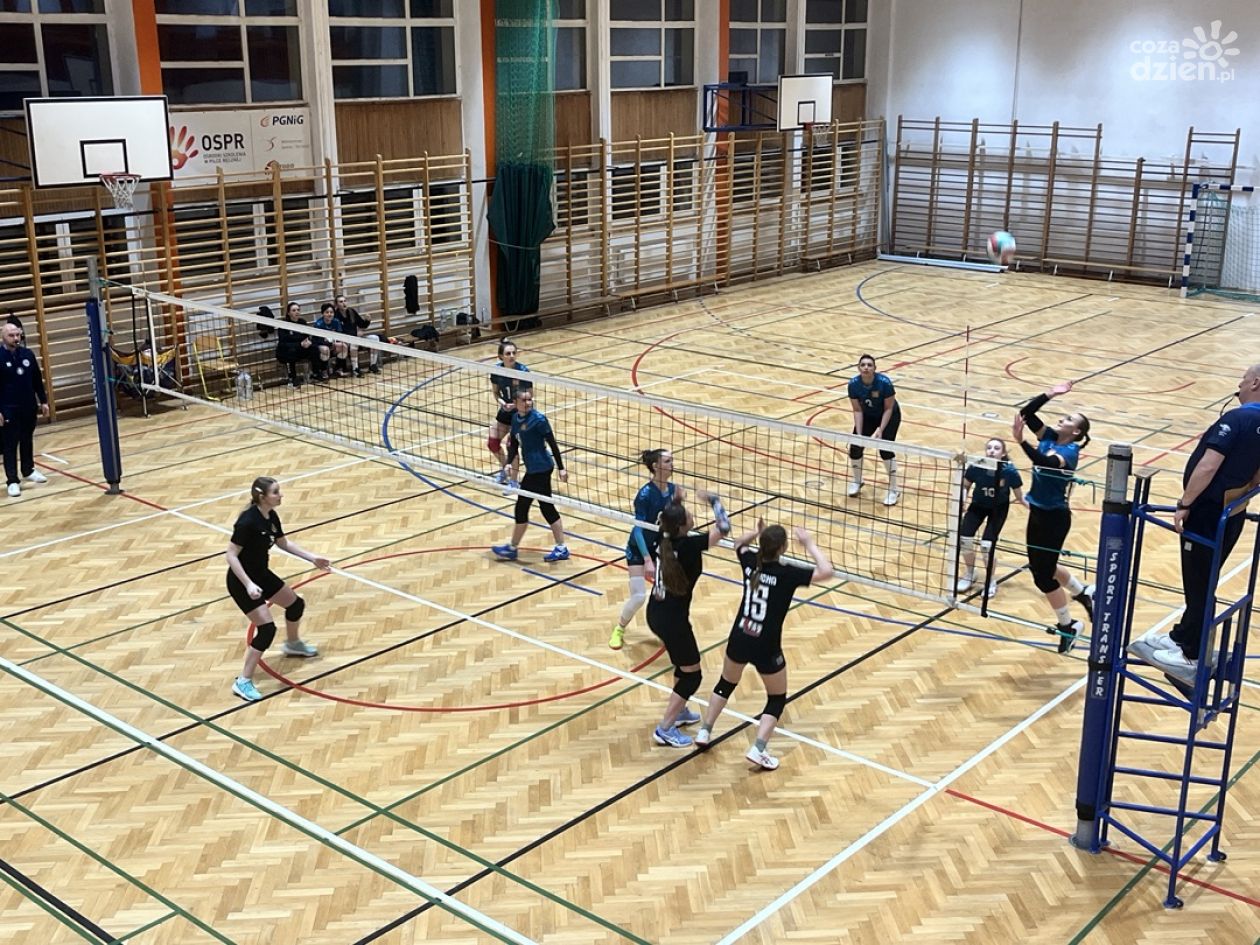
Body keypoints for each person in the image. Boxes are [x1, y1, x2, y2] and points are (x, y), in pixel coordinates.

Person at [1129, 364, 1260, 684]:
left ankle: (1192, 655)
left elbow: (1208, 465)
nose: (1239, 384)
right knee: (1204, 580)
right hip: (1232, 513)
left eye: (1243, 379)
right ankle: (1182, 637)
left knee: (1199, 583)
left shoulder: (1237, 419)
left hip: (1206, 513)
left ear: (1255, 383)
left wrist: (1185, 503)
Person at [693, 519, 833, 770]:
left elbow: (738, 544)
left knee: (726, 683)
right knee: (776, 698)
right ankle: (758, 749)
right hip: (766, 645)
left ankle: (705, 730)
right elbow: (826, 571)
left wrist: (755, 532)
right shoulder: (787, 574)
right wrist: (809, 544)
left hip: (740, 636)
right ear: (782, 548)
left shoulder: (750, 563)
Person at [225, 476, 330, 702]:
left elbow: (283, 543)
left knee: (296, 605)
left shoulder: (270, 515)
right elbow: (231, 555)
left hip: (261, 574)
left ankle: (293, 644)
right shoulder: (247, 522)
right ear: (262, 497)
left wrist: (313, 558)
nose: (280, 495)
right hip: (241, 581)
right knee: (267, 629)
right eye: (275, 492)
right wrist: (248, 584)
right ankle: (243, 681)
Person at [1012, 380, 1094, 654]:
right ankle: (1083, 593)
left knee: (1043, 577)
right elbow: (1026, 413)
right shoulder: (1047, 436)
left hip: (1054, 519)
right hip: (1037, 513)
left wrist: (1021, 441)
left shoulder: (1070, 452)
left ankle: (1069, 626)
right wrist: (1050, 393)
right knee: (1044, 565)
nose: (1061, 419)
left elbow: (1044, 463)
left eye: (1068, 419)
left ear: (1076, 431)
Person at [647, 500, 728, 747]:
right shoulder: (689, 546)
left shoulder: (661, 537)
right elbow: (723, 528)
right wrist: (714, 501)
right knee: (693, 676)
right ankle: (664, 729)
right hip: (673, 621)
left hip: (656, 613)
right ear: (682, 525)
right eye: (689, 515)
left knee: (683, 668)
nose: (693, 516)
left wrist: (676, 501)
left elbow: (668, 517)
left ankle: (679, 711)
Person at [611, 448, 694, 651]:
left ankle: (667, 629)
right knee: (639, 596)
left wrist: (680, 503)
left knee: (669, 592)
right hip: (638, 549)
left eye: (672, 461)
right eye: (667, 461)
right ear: (656, 466)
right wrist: (647, 559)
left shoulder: (673, 490)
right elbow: (638, 529)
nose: (672, 465)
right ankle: (619, 629)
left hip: (660, 548)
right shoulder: (645, 495)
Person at [492, 389, 570, 563]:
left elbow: (552, 444)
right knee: (537, 507)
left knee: (529, 507)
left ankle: (515, 548)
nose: (528, 403)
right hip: (532, 469)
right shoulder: (515, 419)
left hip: (542, 468)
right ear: (515, 402)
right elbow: (513, 444)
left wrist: (561, 468)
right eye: (524, 400)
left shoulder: (539, 420)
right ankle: (557, 547)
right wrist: (507, 464)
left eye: (529, 400)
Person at [956, 436, 1026, 598]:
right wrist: (962, 500)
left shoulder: (1009, 471)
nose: (992, 451)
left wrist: (1032, 507)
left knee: (986, 546)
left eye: (996, 448)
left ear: (1003, 453)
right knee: (964, 539)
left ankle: (990, 580)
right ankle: (970, 573)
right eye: (989, 448)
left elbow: (1019, 496)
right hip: (978, 506)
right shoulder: (977, 466)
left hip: (998, 509)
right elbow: (965, 485)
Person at [0, 321, 50, 498]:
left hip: (28, 406)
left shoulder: (28, 354)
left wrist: (43, 401)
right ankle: (12, 480)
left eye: (17, 335)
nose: (16, 338)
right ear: (3, 337)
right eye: (11, 335)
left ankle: (28, 470)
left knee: (27, 439)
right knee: (10, 444)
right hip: (8, 408)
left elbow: (36, 379)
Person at [847, 354, 902, 506]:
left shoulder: (884, 383)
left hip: (889, 415)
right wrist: (859, 434)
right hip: (868, 415)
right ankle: (858, 481)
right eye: (863, 365)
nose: (866, 367)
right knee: (855, 447)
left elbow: (888, 408)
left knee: (885, 450)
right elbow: (857, 410)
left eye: (869, 365)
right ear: (859, 368)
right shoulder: (853, 384)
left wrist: (880, 429)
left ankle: (894, 490)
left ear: (875, 369)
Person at [487, 339, 532, 485]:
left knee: (511, 446)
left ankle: (513, 481)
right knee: (492, 443)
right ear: (501, 356)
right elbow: (496, 393)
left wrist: (516, 405)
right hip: (505, 411)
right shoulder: (496, 371)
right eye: (508, 353)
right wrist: (503, 403)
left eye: (514, 353)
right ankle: (505, 470)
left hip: (520, 414)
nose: (512, 356)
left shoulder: (523, 371)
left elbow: (530, 396)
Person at [334, 294, 381, 376]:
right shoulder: (335, 316)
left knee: (375, 338)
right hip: (345, 341)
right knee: (354, 343)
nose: (344, 303)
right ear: (336, 304)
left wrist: (367, 320)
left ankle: (373, 365)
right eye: (341, 302)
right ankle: (355, 369)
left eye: (345, 301)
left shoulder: (351, 312)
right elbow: (338, 332)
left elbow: (362, 325)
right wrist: (356, 334)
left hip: (356, 338)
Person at [275, 301, 316, 388]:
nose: (297, 312)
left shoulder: (302, 322)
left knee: (314, 348)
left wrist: (308, 342)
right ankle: (293, 378)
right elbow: (283, 343)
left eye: (298, 310)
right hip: (285, 351)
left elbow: (306, 336)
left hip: (300, 348)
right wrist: (299, 344)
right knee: (291, 352)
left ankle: (314, 373)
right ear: (288, 313)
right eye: (294, 310)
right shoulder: (284, 325)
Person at [311, 303, 347, 379]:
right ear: (323, 313)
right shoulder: (319, 324)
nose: (329, 314)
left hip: (332, 344)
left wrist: (335, 342)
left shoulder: (336, 322)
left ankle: (338, 369)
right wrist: (328, 343)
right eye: (327, 312)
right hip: (320, 345)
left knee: (344, 346)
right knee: (325, 349)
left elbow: (340, 335)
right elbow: (316, 340)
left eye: (331, 312)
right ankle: (323, 370)